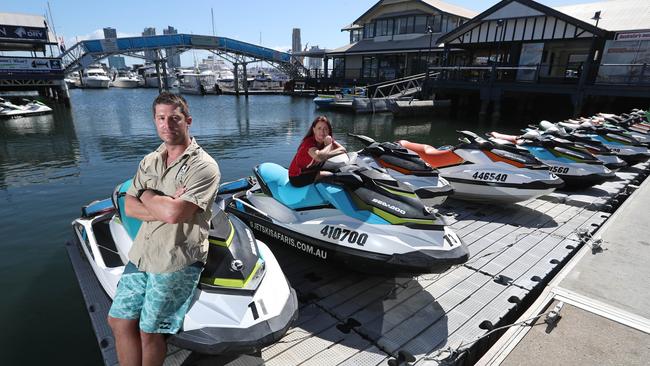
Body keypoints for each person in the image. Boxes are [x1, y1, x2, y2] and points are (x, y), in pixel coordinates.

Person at [107, 92, 220, 366]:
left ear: (187, 121)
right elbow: (129, 206)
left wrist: (146, 193)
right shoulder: (150, 160)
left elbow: (173, 214)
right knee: (119, 321)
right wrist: (160, 201)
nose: (167, 124)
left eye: (174, 118)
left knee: (149, 331)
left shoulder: (204, 166)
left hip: (176, 257)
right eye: (161, 118)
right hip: (144, 252)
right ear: (154, 121)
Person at [288, 115, 346, 187]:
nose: (322, 132)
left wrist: (327, 154)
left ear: (329, 131)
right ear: (314, 130)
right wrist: (328, 145)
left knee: (339, 169)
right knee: (333, 176)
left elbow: (343, 150)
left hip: (312, 170)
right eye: (319, 128)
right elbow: (319, 157)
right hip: (297, 177)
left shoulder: (327, 139)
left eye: (325, 129)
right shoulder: (308, 143)